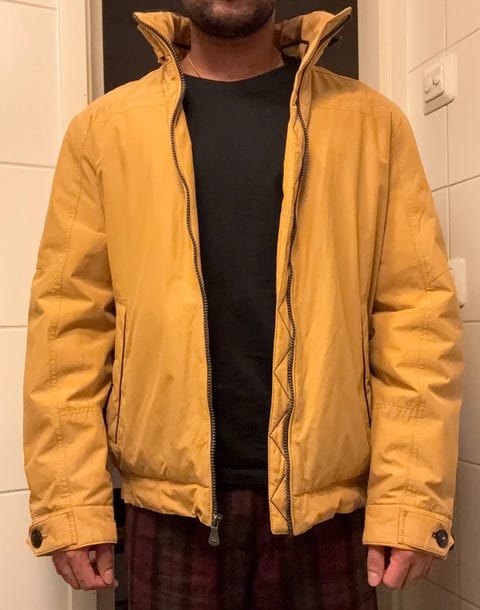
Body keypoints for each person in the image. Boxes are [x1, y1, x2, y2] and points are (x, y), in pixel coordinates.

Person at [23, 1, 463, 608]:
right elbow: (66, 326)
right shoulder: (103, 131)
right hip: (168, 512)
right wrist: (70, 502)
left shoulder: (372, 125)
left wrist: (410, 498)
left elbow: (417, 320)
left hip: (328, 512)